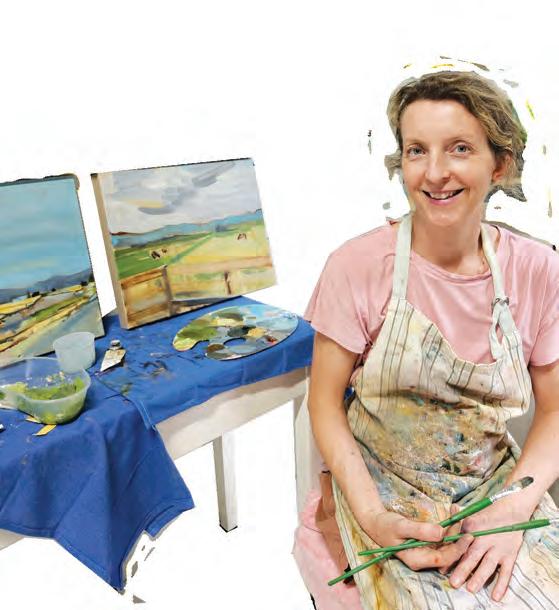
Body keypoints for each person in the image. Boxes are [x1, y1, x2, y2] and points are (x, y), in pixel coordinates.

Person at [293, 70, 559, 610]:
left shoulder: (537, 271)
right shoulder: (356, 266)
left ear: (500, 164)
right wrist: (373, 516)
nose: (434, 173)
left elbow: (555, 411)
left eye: (459, 148)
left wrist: (512, 510)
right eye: (417, 150)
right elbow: (323, 404)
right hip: (378, 487)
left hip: (494, 488)